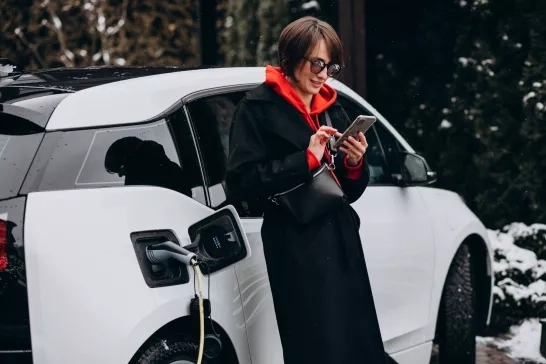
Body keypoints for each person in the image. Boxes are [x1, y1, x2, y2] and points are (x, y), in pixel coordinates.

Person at [226, 16, 396, 364]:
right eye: (316, 63)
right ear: (291, 58)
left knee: (357, 343)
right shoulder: (257, 109)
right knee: (317, 347)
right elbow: (241, 182)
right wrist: (305, 158)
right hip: (295, 245)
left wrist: (353, 163)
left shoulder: (331, 108)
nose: (323, 74)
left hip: (341, 239)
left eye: (330, 65)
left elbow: (347, 190)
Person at [104, 136, 192, 197]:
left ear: (127, 160)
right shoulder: (172, 168)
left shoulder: (135, 182)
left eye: (119, 168)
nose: (120, 175)